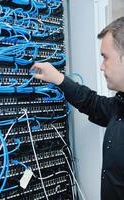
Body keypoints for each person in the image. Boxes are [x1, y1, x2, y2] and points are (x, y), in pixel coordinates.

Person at [31, 17, 124, 200]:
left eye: (105, 57)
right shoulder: (119, 106)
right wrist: (59, 78)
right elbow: (93, 103)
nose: (101, 66)